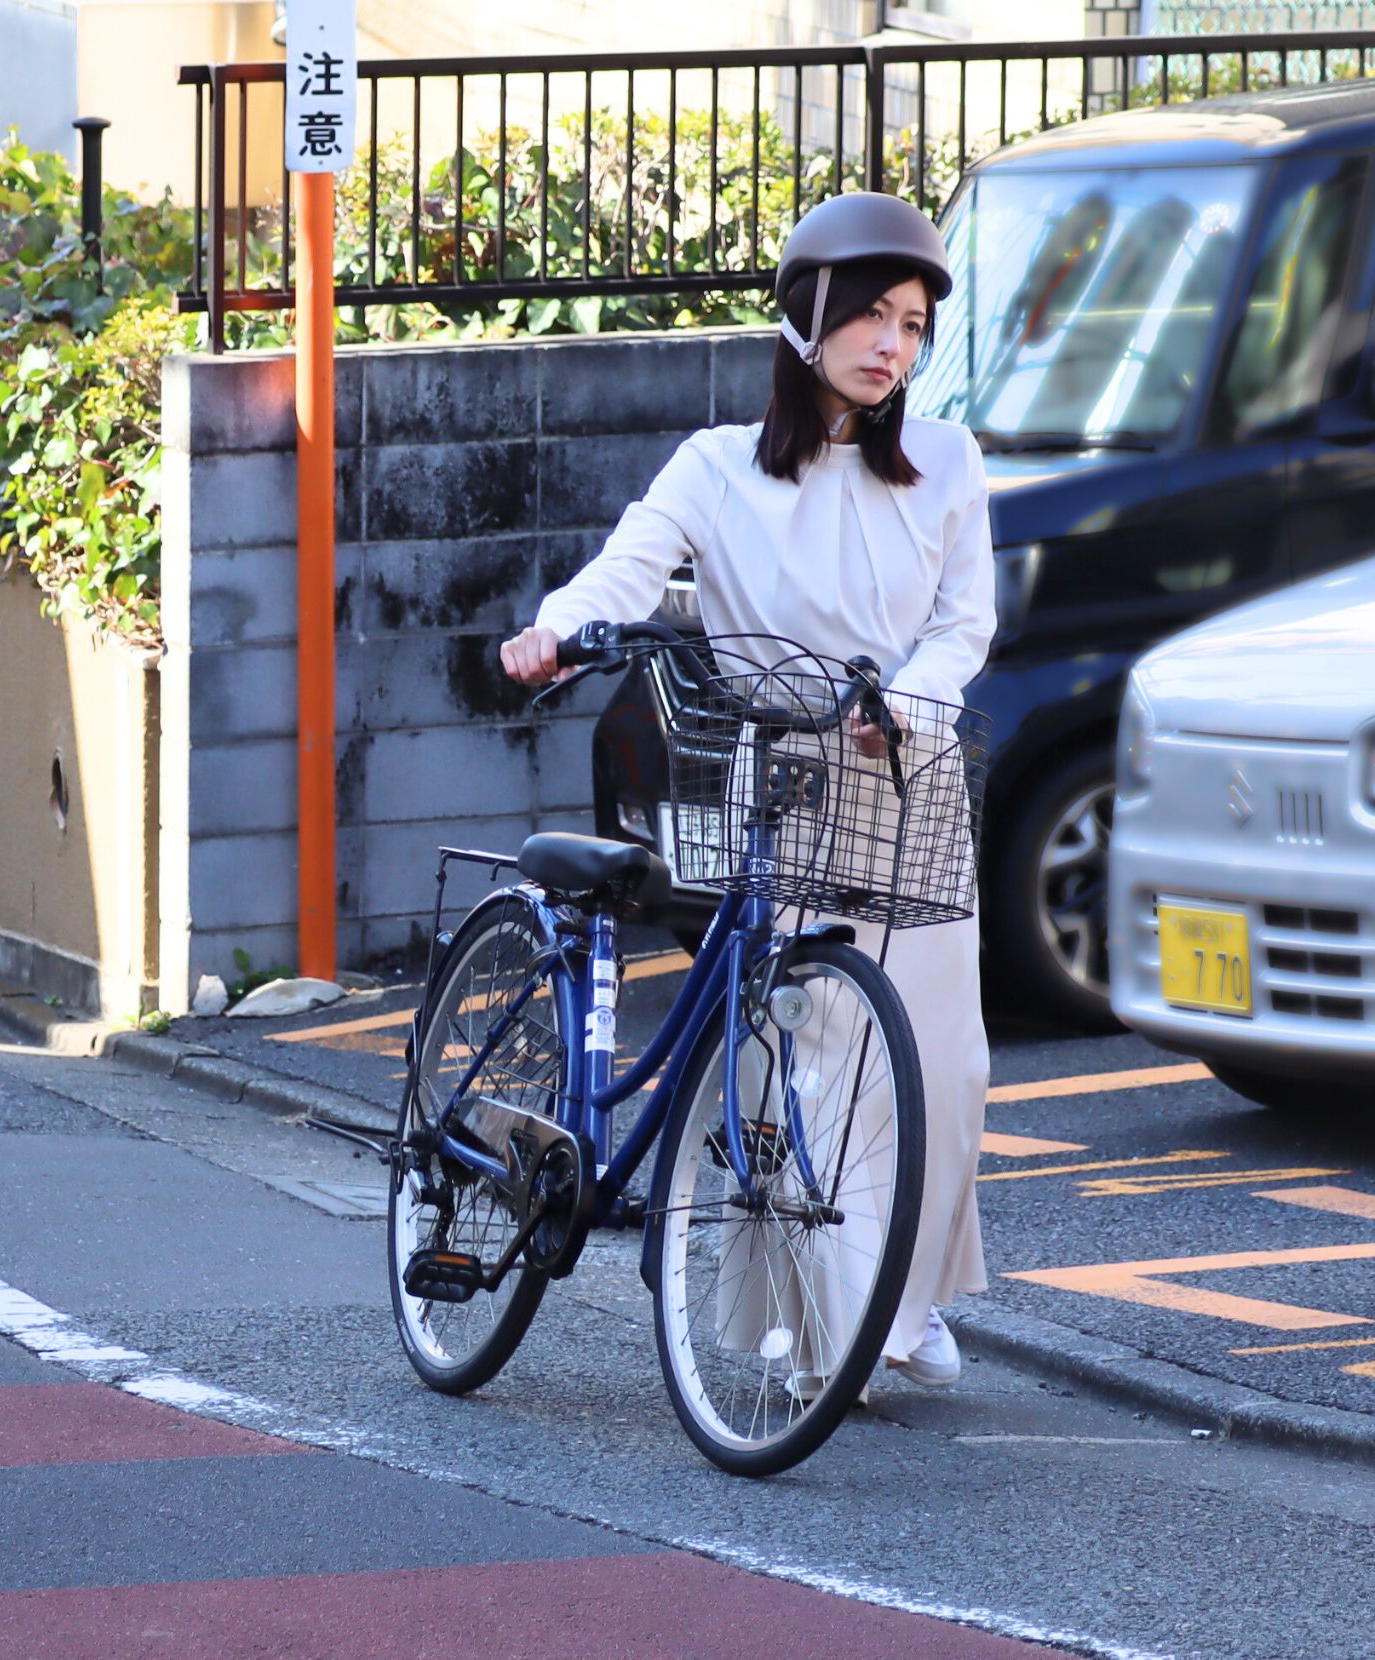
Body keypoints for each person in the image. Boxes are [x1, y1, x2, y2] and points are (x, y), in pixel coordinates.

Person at [499, 191, 995, 1391]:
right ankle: (827, 1328)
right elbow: (626, 567)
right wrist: (557, 628)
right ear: (806, 316)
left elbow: (963, 623)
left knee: (942, 1066)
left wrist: (905, 705)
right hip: (782, 787)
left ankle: (908, 1296)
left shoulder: (948, 461)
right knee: (802, 1054)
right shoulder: (718, 467)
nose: (892, 344)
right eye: (872, 315)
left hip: (911, 782)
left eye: (914, 325)